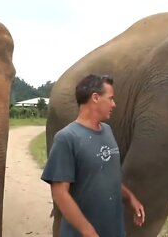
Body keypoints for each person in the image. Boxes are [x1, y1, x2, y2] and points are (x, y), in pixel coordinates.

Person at [41, 74, 145, 237]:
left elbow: (107, 177)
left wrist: (130, 198)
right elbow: (60, 194)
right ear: (95, 98)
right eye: (110, 99)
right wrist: (88, 232)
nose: (114, 104)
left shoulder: (107, 131)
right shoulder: (67, 138)